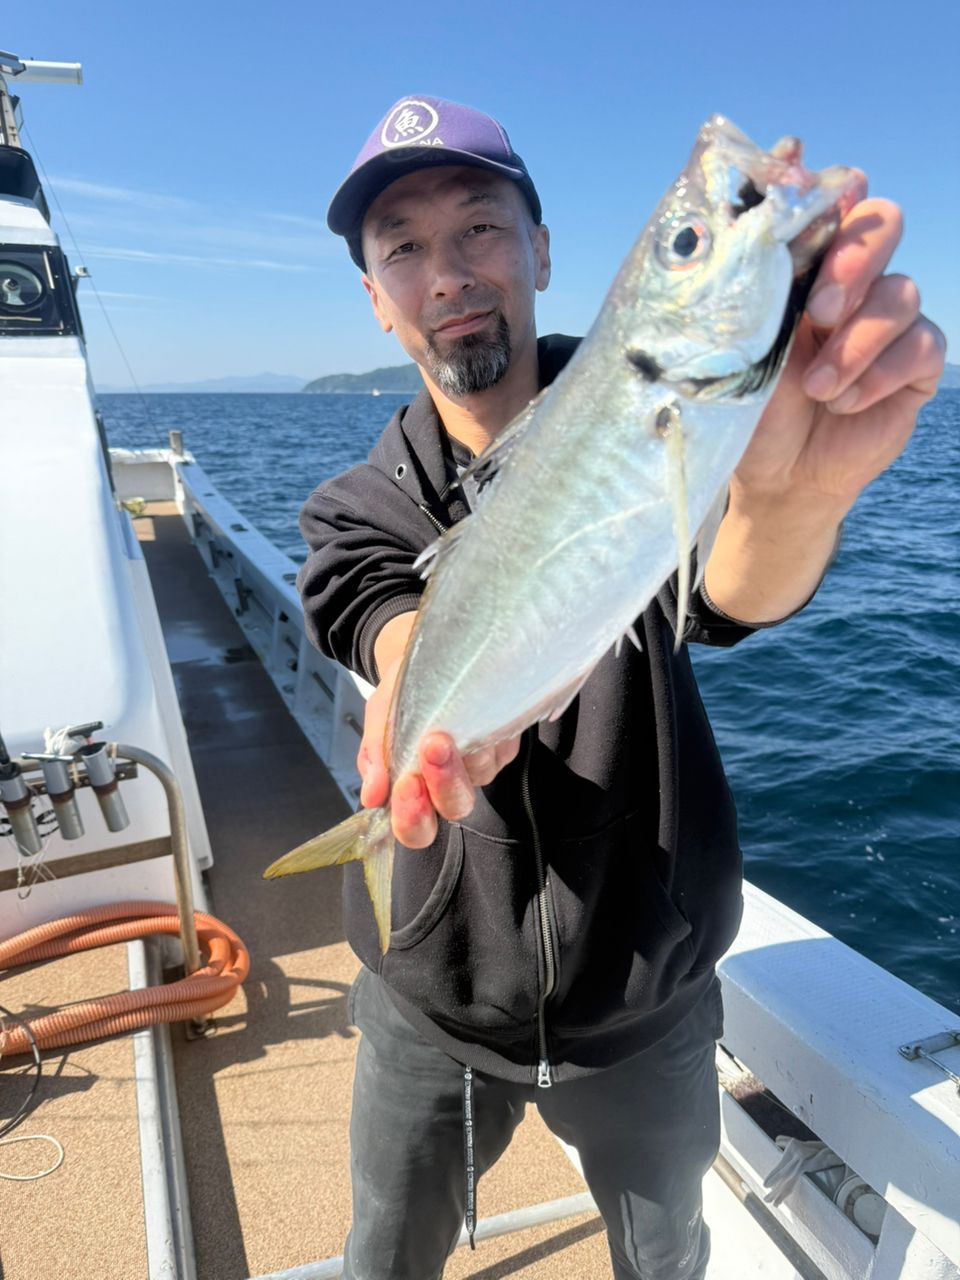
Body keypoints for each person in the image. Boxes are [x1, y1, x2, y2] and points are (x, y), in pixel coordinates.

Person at [298, 96, 944, 1279]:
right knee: (381, 1257)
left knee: (666, 1259)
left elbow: (725, 589)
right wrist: (416, 678)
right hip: (427, 1001)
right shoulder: (359, 497)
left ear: (544, 250)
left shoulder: (652, 412)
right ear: (375, 298)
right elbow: (364, 596)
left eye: (480, 227)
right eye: (403, 246)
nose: (448, 272)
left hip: (646, 1006)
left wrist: (795, 500)